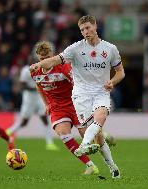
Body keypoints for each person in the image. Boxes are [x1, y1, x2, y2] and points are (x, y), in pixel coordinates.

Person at [30, 15, 125, 178]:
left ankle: (85, 145)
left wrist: (113, 81)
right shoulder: (74, 49)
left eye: (88, 28)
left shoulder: (110, 49)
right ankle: (112, 165)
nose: (86, 32)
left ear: (95, 26)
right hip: (81, 96)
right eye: (82, 30)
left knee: (99, 119)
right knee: (97, 135)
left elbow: (120, 72)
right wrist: (39, 64)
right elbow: (54, 61)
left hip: (101, 92)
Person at [30, 41, 99, 175]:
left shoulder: (63, 67)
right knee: (63, 133)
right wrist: (47, 104)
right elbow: (39, 87)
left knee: (88, 137)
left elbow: (78, 84)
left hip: (75, 104)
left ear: (52, 55)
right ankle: (90, 165)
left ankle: (103, 137)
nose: (45, 61)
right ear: (38, 58)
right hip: (57, 107)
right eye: (42, 59)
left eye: (47, 58)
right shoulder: (35, 72)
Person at [6, 58, 58, 151]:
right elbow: (22, 85)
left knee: (44, 118)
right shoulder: (26, 71)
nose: (34, 64)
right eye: (32, 63)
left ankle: (49, 143)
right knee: (25, 121)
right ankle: (10, 131)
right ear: (29, 63)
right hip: (28, 98)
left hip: (39, 97)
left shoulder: (41, 69)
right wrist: (36, 88)